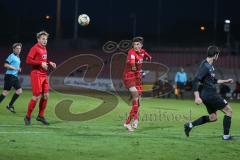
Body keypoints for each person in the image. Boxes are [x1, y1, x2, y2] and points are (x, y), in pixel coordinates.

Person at [184, 46, 234, 140]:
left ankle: (189, 125)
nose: (218, 56)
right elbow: (195, 80)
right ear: (215, 55)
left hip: (207, 95)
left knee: (213, 117)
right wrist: (196, 97)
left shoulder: (209, 66)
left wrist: (225, 81)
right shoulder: (205, 66)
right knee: (229, 111)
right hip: (210, 94)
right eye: (218, 55)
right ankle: (226, 136)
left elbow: (213, 80)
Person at [24, 31, 56, 125]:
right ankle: (27, 116)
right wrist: (40, 63)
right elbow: (28, 60)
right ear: (38, 39)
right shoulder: (35, 48)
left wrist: (49, 63)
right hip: (36, 74)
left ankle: (40, 116)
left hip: (43, 74)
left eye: (46, 39)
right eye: (43, 39)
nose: (45, 40)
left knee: (46, 95)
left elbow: (43, 60)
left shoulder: (44, 48)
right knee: (36, 96)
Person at [123, 37, 151, 131]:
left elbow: (145, 53)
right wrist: (134, 66)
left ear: (141, 45)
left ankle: (136, 120)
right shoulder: (131, 52)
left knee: (138, 103)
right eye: (134, 44)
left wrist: (149, 57)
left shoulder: (142, 51)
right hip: (129, 77)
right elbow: (132, 61)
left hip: (137, 78)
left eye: (138, 44)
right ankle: (127, 123)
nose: (136, 46)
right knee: (135, 100)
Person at [0, 43, 23, 113]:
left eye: (20, 49)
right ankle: (9, 105)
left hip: (14, 77)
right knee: (5, 93)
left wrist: (18, 68)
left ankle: (10, 105)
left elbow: (15, 66)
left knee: (19, 91)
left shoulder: (18, 57)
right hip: (9, 76)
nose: (19, 50)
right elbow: (5, 64)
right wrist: (16, 68)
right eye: (17, 48)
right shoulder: (11, 56)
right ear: (13, 49)